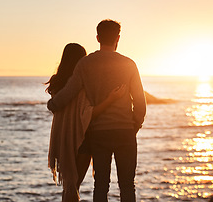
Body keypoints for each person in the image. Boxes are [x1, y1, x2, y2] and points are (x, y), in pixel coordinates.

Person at [47, 20, 146, 202]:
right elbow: (140, 103)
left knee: (101, 186)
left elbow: (69, 92)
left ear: (98, 37)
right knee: (127, 186)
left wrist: (52, 104)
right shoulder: (129, 64)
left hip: (99, 133)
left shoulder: (85, 64)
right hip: (125, 132)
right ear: (118, 38)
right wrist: (133, 127)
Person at [46, 43, 126, 202]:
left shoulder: (57, 82)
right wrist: (112, 99)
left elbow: (56, 106)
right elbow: (88, 113)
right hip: (81, 138)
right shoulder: (83, 85)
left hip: (63, 138)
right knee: (74, 185)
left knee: (69, 185)